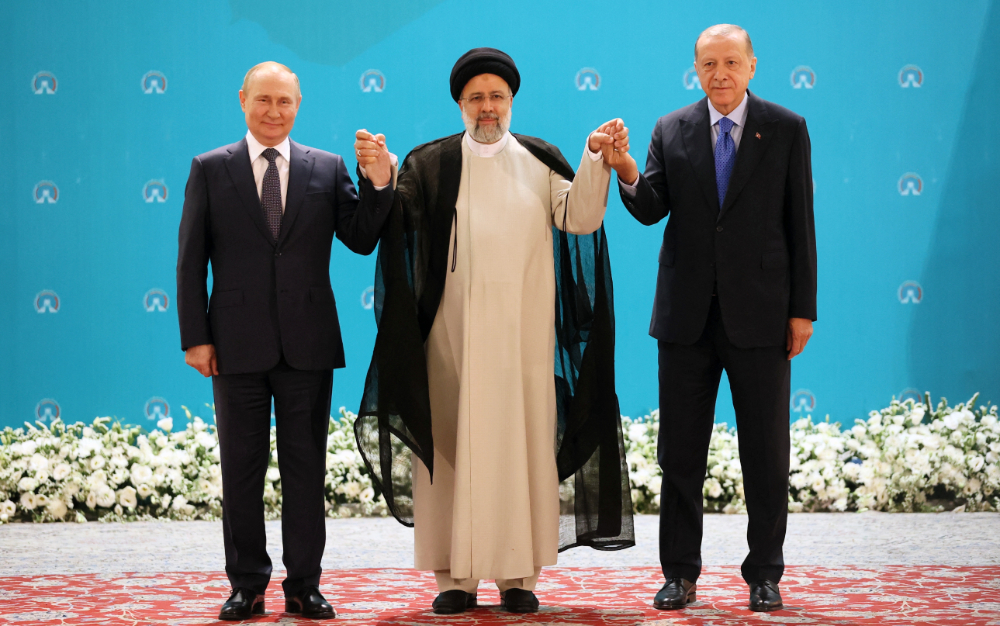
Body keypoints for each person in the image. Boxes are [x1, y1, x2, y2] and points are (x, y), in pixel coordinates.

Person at [351, 48, 635, 615]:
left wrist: (596, 159)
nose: (487, 108)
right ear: (460, 103)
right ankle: (452, 579)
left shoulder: (540, 159)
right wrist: (380, 177)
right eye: (476, 97)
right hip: (449, 342)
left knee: (519, 450)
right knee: (452, 453)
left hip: (523, 342)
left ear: (511, 102)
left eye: (496, 97)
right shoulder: (429, 162)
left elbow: (579, 217)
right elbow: (398, 220)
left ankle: (517, 577)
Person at [176, 61, 394, 620]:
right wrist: (195, 338)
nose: (274, 112)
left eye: (286, 102)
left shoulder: (327, 167)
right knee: (240, 469)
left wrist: (380, 183)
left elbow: (362, 238)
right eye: (264, 100)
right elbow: (189, 261)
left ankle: (304, 585)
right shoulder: (210, 168)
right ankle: (247, 585)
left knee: (306, 468)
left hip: (308, 343)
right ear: (243, 99)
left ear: (299, 105)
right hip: (234, 344)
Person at [613, 25, 817, 612]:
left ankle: (765, 574)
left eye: (731, 62)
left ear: (752, 66)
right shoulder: (669, 129)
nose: (720, 74)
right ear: (695, 70)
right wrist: (627, 168)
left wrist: (802, 309)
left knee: (765, 452)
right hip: (685, 320)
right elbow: (651, 209)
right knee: (679, 454)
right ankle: (679, 572)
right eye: (709, 64)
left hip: (761, 315)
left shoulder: (785, 127)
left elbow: (799, 222)